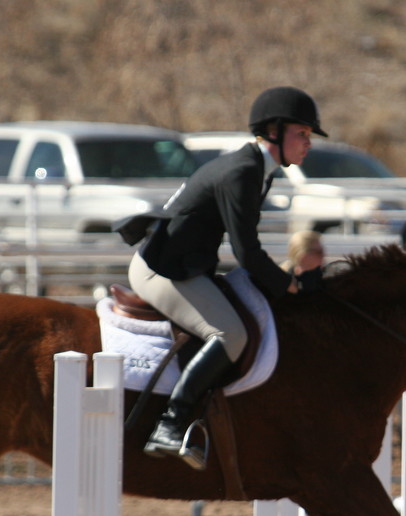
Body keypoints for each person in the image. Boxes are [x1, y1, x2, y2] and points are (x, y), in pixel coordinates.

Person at [128, 86, 328, 470]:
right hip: (162, 270)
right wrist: (290, 284)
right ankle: (170, 425)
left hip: (187, 263)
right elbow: (247, 252)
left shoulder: (256, 168)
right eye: (301, 134)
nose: (308, 144)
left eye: (308, 135)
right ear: (274, 129)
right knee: (231, 335)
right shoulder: (243, 172)